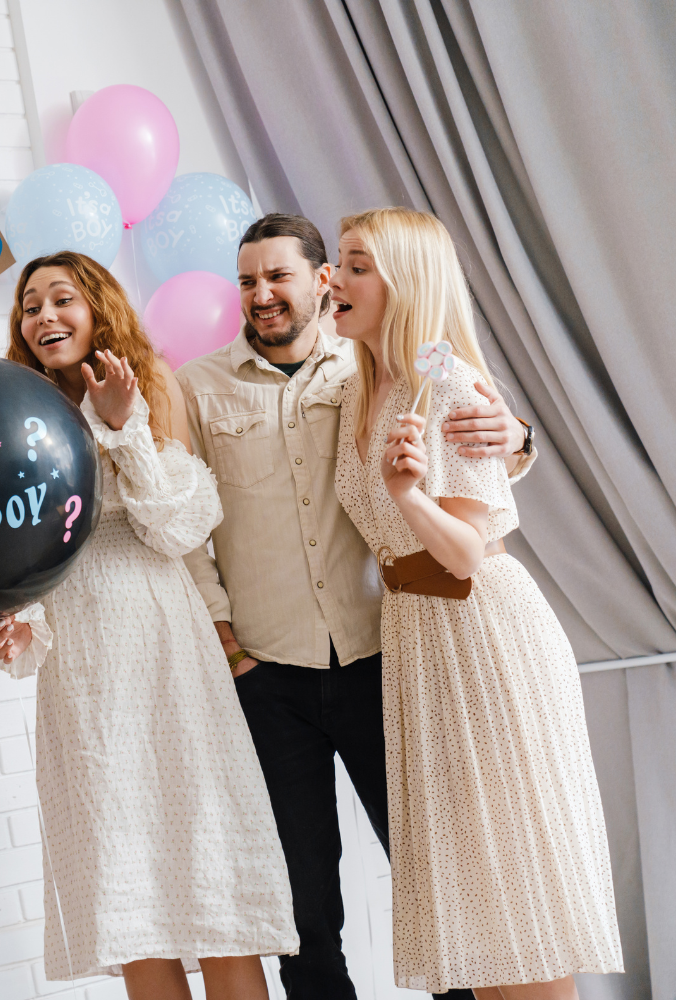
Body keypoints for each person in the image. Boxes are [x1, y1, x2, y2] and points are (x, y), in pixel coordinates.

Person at [176, 213, 535, 1000]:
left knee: (441, 884)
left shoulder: (369, 363)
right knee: (304, 910)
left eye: (280, 275)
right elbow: (182, 529)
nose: (262, 294)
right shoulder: (196, 387)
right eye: (247, 280)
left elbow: (462, 429)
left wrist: (517, 434)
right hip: (269, 675)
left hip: (387, 659)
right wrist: (230, 646)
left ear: (320, 280)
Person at [0, 250, 298, 1000]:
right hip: (82, 664)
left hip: (163, 643)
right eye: (30, 305)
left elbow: (178, 526)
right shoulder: (10, 414)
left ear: (98, 309)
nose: (44, 316)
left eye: (62, 299)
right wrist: (15, 621)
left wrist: (123, 429)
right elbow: (16, 545)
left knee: (213, 871)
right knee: (126, 886)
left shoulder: (150, 386)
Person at [330, 207, 621, 997]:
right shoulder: (366, 384)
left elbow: (461, 550)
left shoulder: (449, 383)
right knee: (478, 910)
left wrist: (410, 495)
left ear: (406, 279)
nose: (336, 277)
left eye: (357, 263)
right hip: (421, 639)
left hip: (481, 632)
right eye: (337, 260)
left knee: (515, 892)